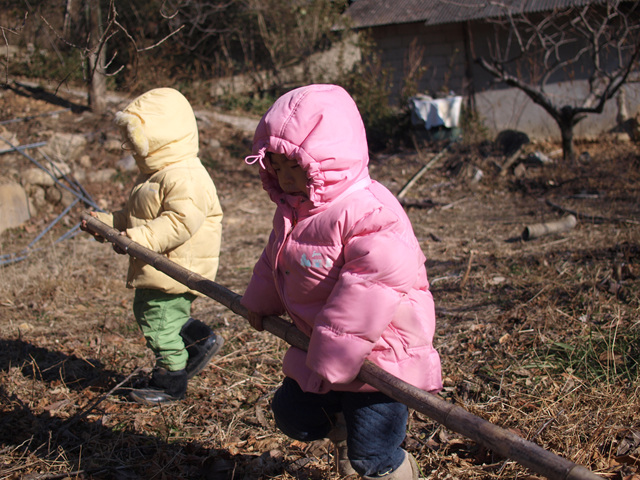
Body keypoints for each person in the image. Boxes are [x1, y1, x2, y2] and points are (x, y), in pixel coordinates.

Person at [241, 84, 442, 480]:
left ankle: (396, 469)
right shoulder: (293, 211)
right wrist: (259, 300)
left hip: (380, 358)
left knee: (371, 456)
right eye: (276, 167)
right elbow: (276, 260)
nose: (284, 178)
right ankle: (342, 426)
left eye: (293, 167)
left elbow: (370, 287)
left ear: (327, 159)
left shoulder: (369, 212)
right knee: (293, 416)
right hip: (322, 350)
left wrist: (333, 352)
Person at [81, 87, 224, 405]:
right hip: (162, 265)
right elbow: (135, 218)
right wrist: (104, 224)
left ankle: (170, 381)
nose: (131, 150)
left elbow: (180, 222)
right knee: (165, 316)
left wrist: (138, 240)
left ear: (163, 137)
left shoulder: (184, 176)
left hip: (176, 267)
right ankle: (199, 340)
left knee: (155, 318)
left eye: (136, 143)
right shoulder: (157, 175)